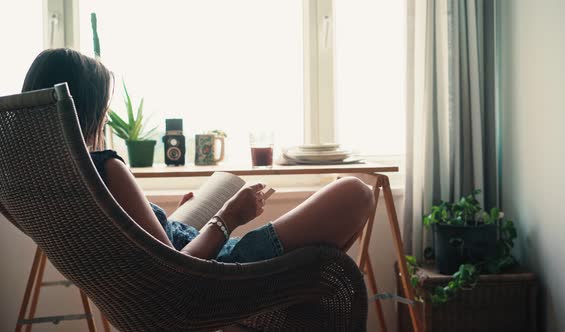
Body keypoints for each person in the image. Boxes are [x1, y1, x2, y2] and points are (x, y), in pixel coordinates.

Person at [22, 48, 374, 262]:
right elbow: (177, 270)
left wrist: (172, 218)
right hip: (217, 269)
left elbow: (141, 253)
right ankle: (270, 305)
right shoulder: (107, 168)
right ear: (86, 111)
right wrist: (228, 216)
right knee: (356, 192)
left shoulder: (43, 181)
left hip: (194, 248)